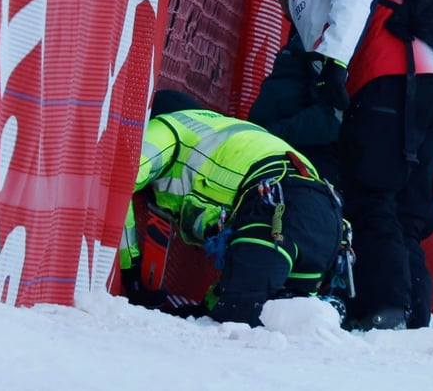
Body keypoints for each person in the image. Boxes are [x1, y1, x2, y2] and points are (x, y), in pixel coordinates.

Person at [229, 0, 433, 330]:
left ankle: (383, 310)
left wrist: (332, 61)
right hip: (428, 80)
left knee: (371, 197)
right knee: (404, 208)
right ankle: (412, 317)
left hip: (388, 76)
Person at [118, 91, 345, 327]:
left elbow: (121, 181)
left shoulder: (167, 126)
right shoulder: (224, 132)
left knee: (241, 318)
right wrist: (206, 308)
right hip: (326, 215)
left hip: (277, 207)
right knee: (290, 324)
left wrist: (131, 269)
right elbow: (240, 252)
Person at [247, 0, 342, 184]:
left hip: (300, 168)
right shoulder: (303, 33)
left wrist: (271, 135)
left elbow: (333, 116)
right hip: (273, 157)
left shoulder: (330, 39)